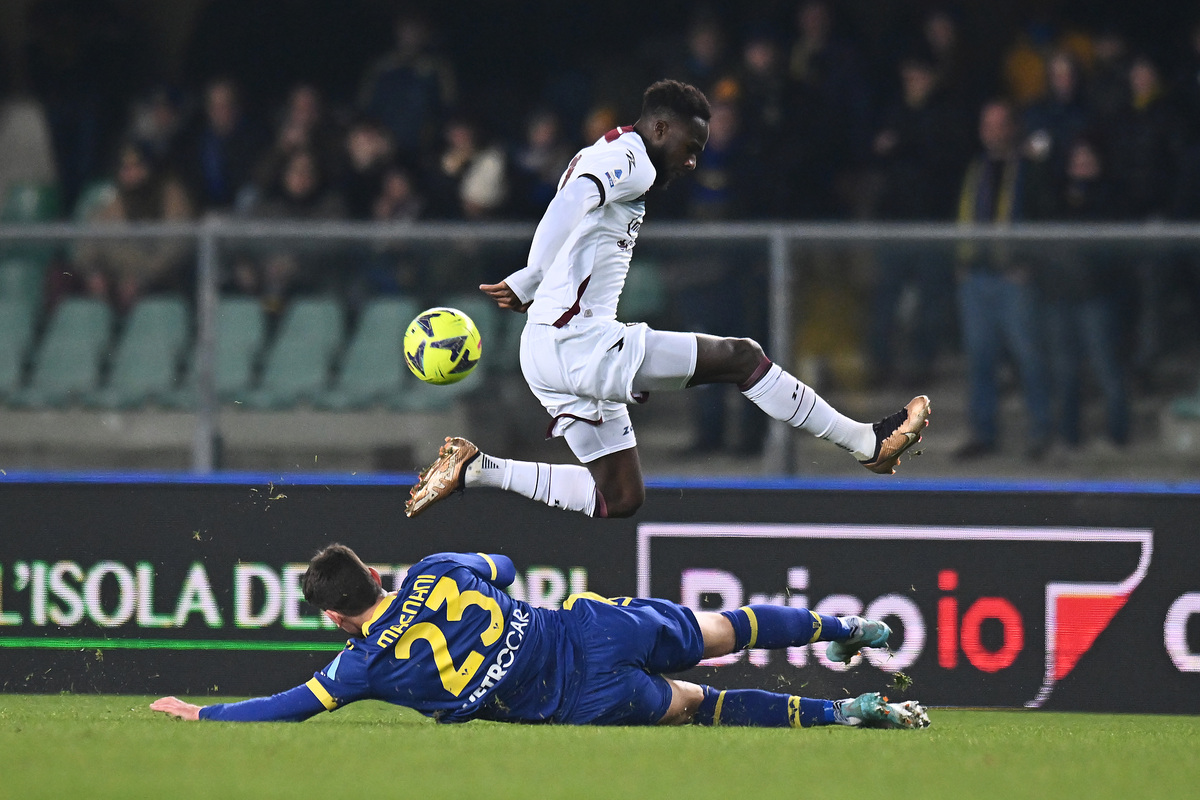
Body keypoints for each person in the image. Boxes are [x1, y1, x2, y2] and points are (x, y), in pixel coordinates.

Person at [405, 80, 930, 521]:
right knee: (741, 356)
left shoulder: (609, 151)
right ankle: (867, 443)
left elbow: (578, 217)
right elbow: (569, 202)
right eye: (690, 145)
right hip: (578, 343)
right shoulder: (632, 158)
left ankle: (477, 468)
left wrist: (543, 286)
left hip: (546, 348)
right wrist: (532, 275)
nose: (694, 160)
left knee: (620, 497)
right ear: (659, 128)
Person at [150, 544, 930, 729]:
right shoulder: (432, 569)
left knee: (701, 704)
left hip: (577, 693)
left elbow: (296, 703)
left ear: (333, 614)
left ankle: (849, 714)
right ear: (376, 577)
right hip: (590, 626)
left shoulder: (361, 667)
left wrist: (207, 715)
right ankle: (847, 627)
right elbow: (507, 564)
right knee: (726, 627)